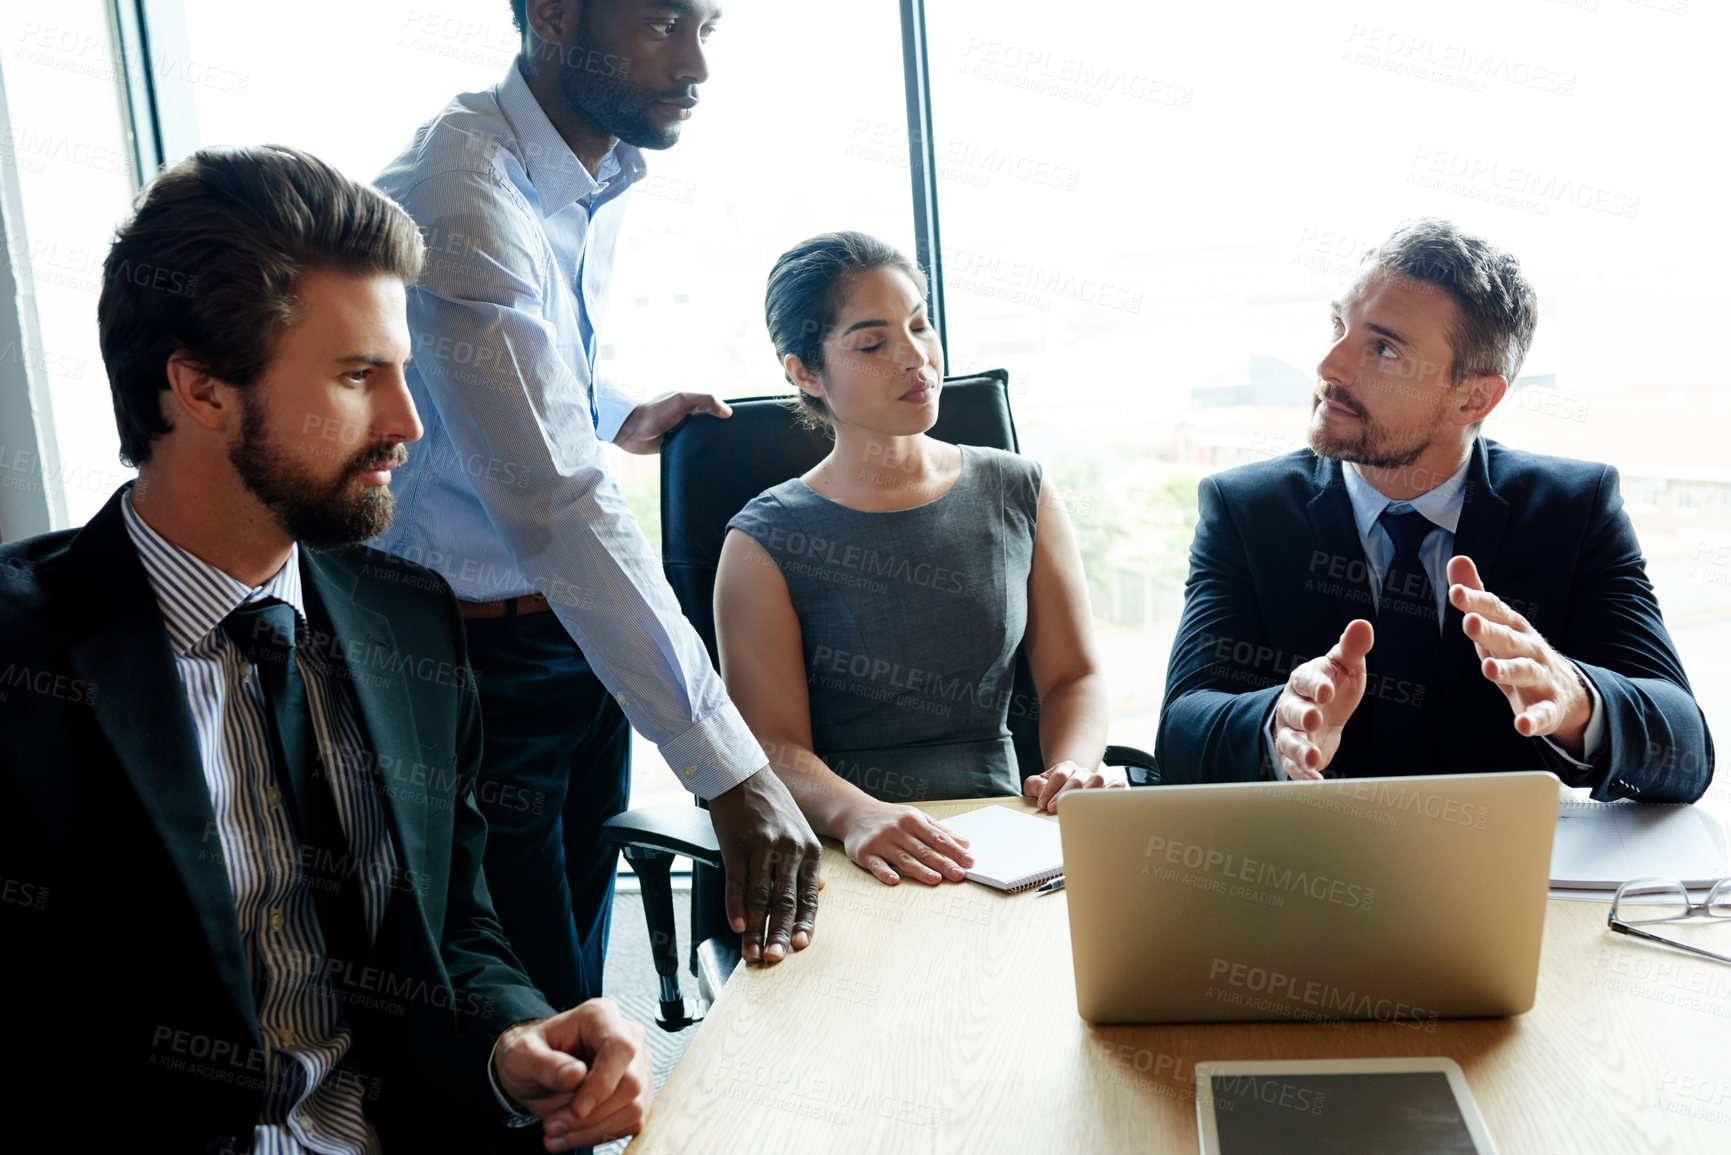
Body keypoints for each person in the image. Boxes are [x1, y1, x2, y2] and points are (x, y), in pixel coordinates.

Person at [0, 145, 651, 1153]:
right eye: (359, 377)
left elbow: (458, 927)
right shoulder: (22, 662)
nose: (408, 423)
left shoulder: (407, 622)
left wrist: (513, 1038)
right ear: (202, 390)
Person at [370, 0, 819, 1007]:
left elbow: (516, 367)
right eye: (663, 23)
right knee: (528, 1012)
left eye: (706, 23)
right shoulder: (463, 192)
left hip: (564, 638)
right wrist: (732, 771)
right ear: (556, 16)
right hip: (467, 660)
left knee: (582, 993)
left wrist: (611, 406)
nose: (696, 61)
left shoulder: (580, 172)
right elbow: (560, 502)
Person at [1156, 218, 1713, 801]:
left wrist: (1577, 701)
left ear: (1474, 397)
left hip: (1512, 880)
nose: (1328, 368)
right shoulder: (1246, 511)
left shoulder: (1573, 510)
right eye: (1337, 327)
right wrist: (1278, 724)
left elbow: (1687, 751)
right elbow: (1180, 734)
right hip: (1312, 876)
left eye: (1383, 349)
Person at [712, 232, 1123, 888]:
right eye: (872, 343)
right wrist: (858, 814)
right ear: (804, 372)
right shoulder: (764, 540)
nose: (915, 357)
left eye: (920, 325)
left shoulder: (1020, 489)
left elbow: (1072, 674)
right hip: (851, 841)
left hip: (1015, 831)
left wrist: (1070, 769)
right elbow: (770, 745)